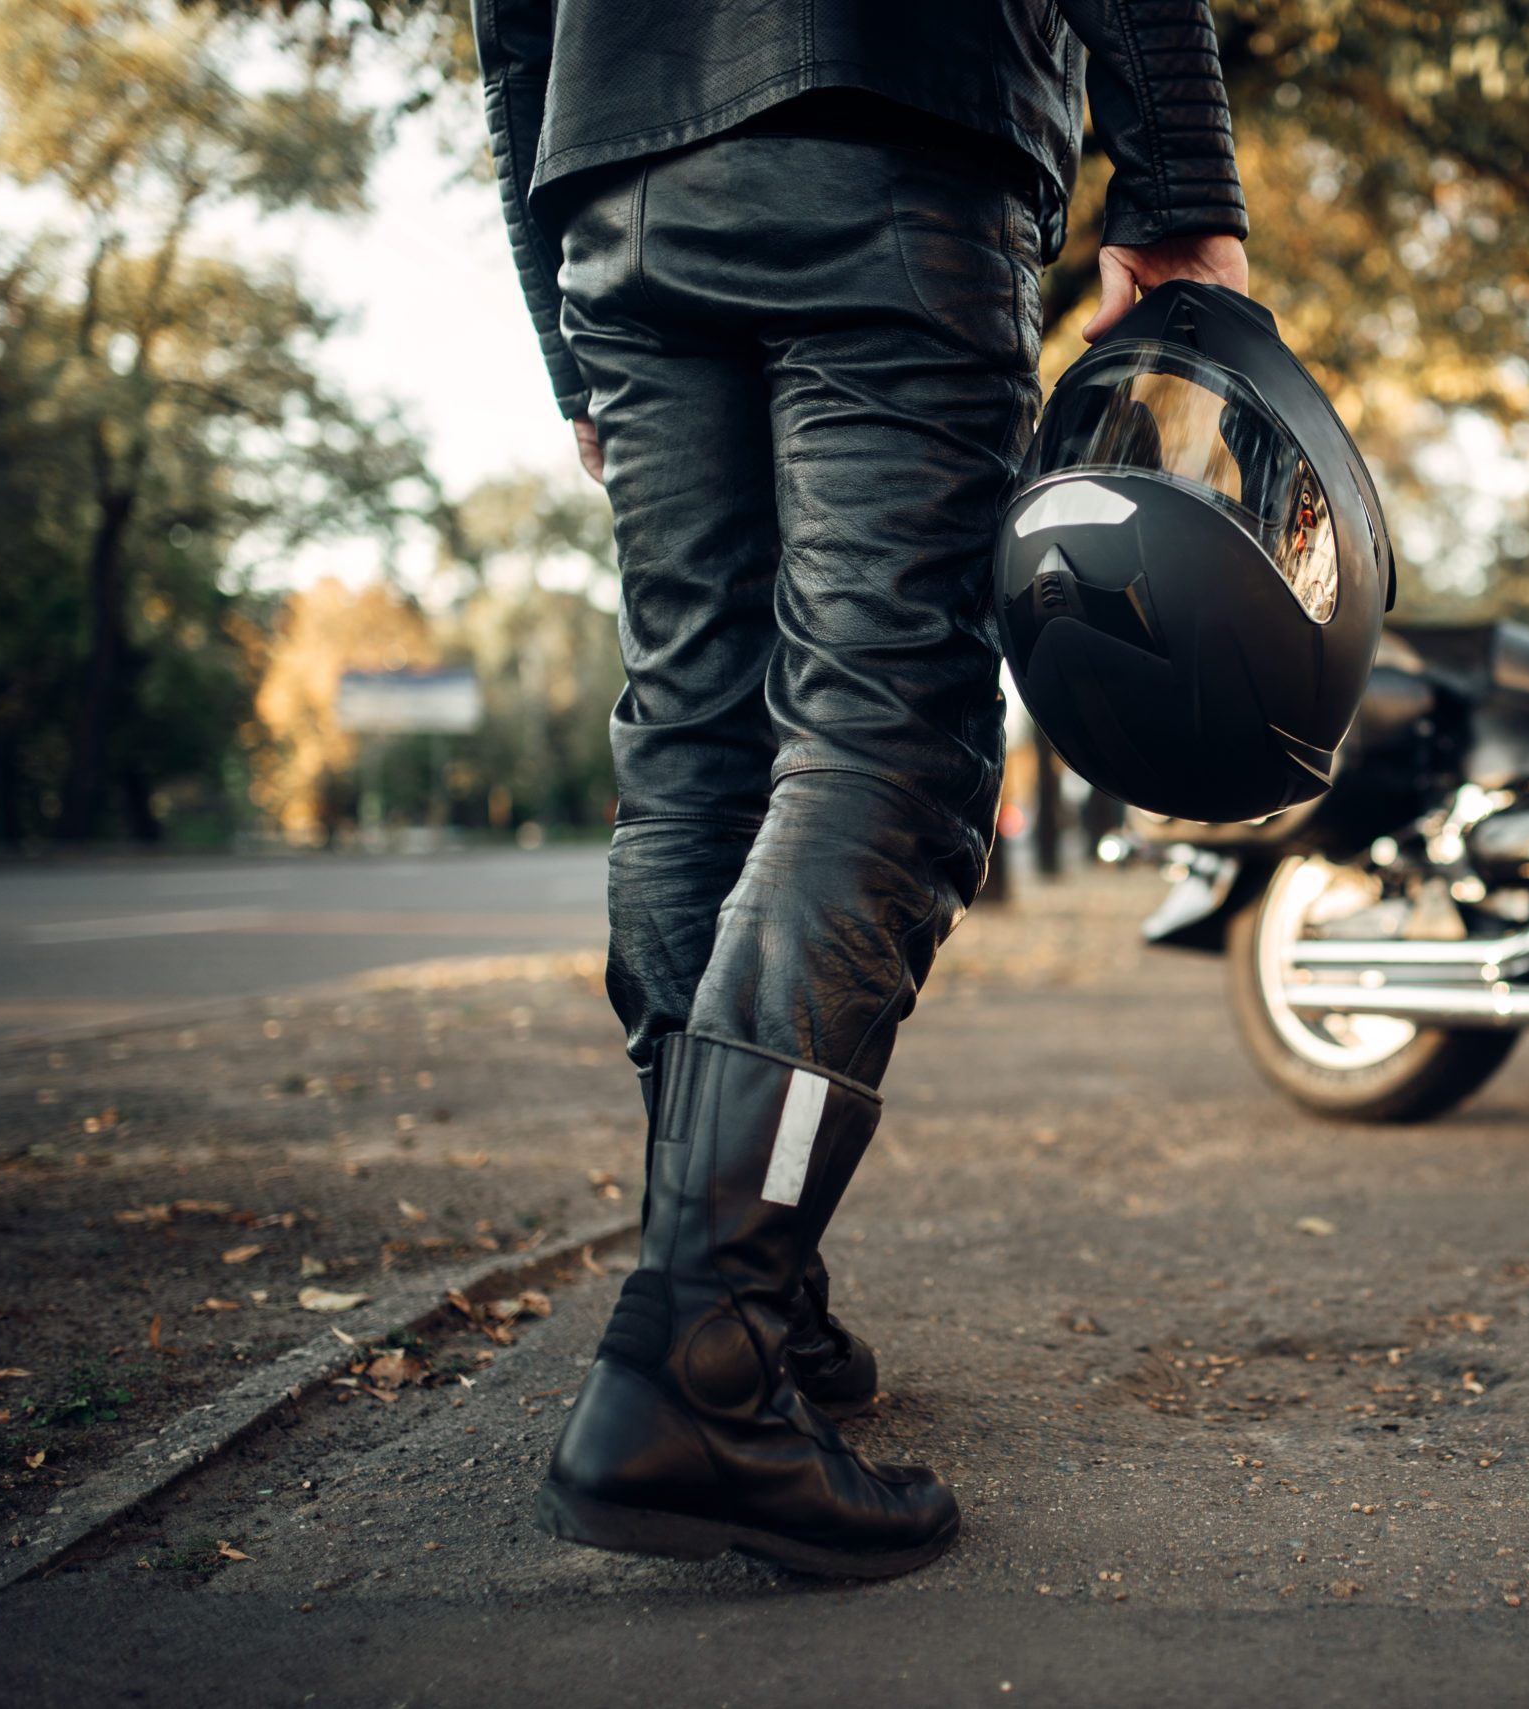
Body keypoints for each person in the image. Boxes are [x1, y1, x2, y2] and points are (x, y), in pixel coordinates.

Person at [471, 0, 1250, 1575]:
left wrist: (564, 331)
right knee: (888, 734)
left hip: (612, 184)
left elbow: (506, 22)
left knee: (695, 739)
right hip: (890, 132)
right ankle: (700, 1356)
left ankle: (748, 1278)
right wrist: (1175, 187)